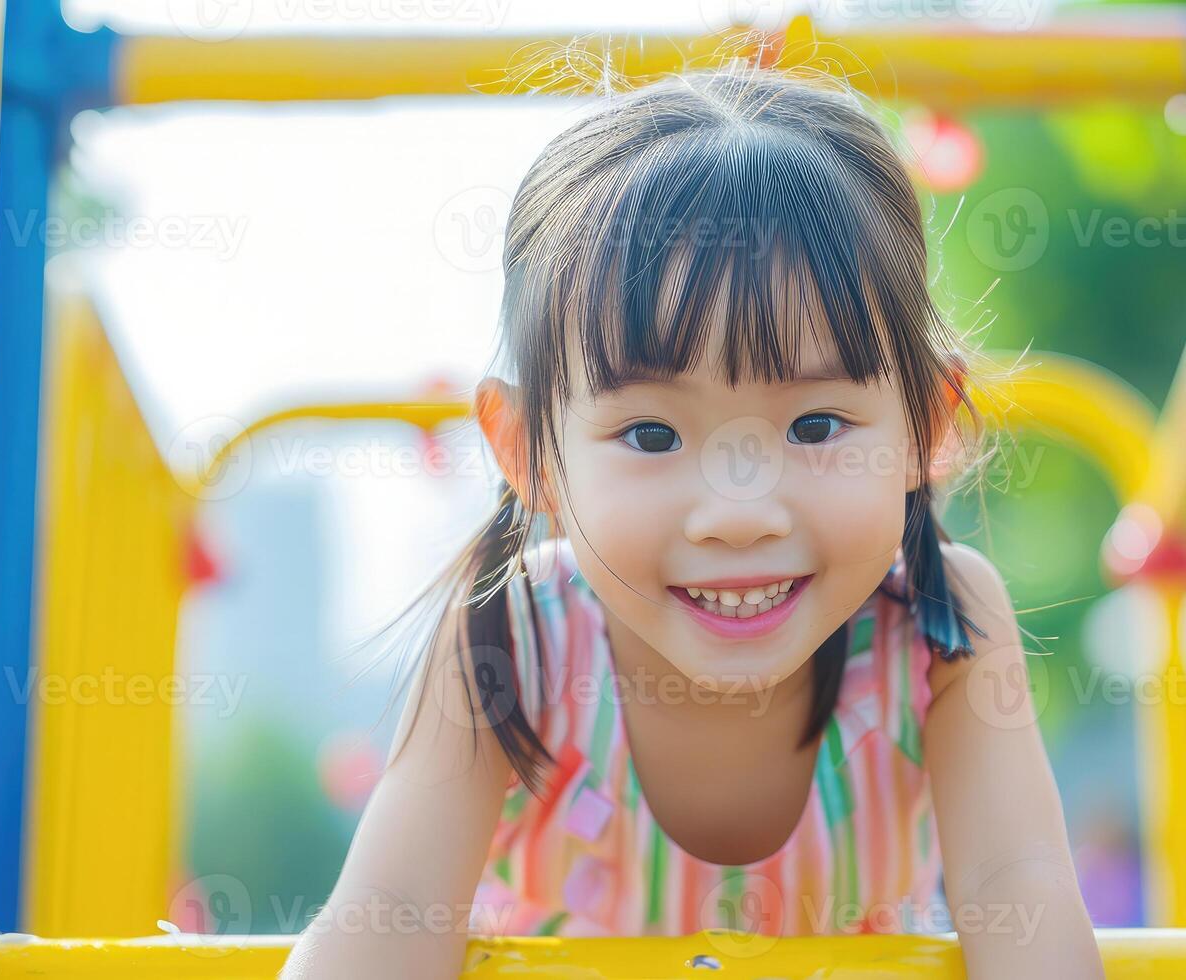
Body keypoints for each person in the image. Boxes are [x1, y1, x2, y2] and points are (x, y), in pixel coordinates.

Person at [284, 61, 1102, 978]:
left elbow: (1018, 891)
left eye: (814, 425)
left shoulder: (941, 631)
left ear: (925, 425)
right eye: (650, 432)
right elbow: (387, 916)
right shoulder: (511, 642)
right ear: (528, 454)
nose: (738, 514)